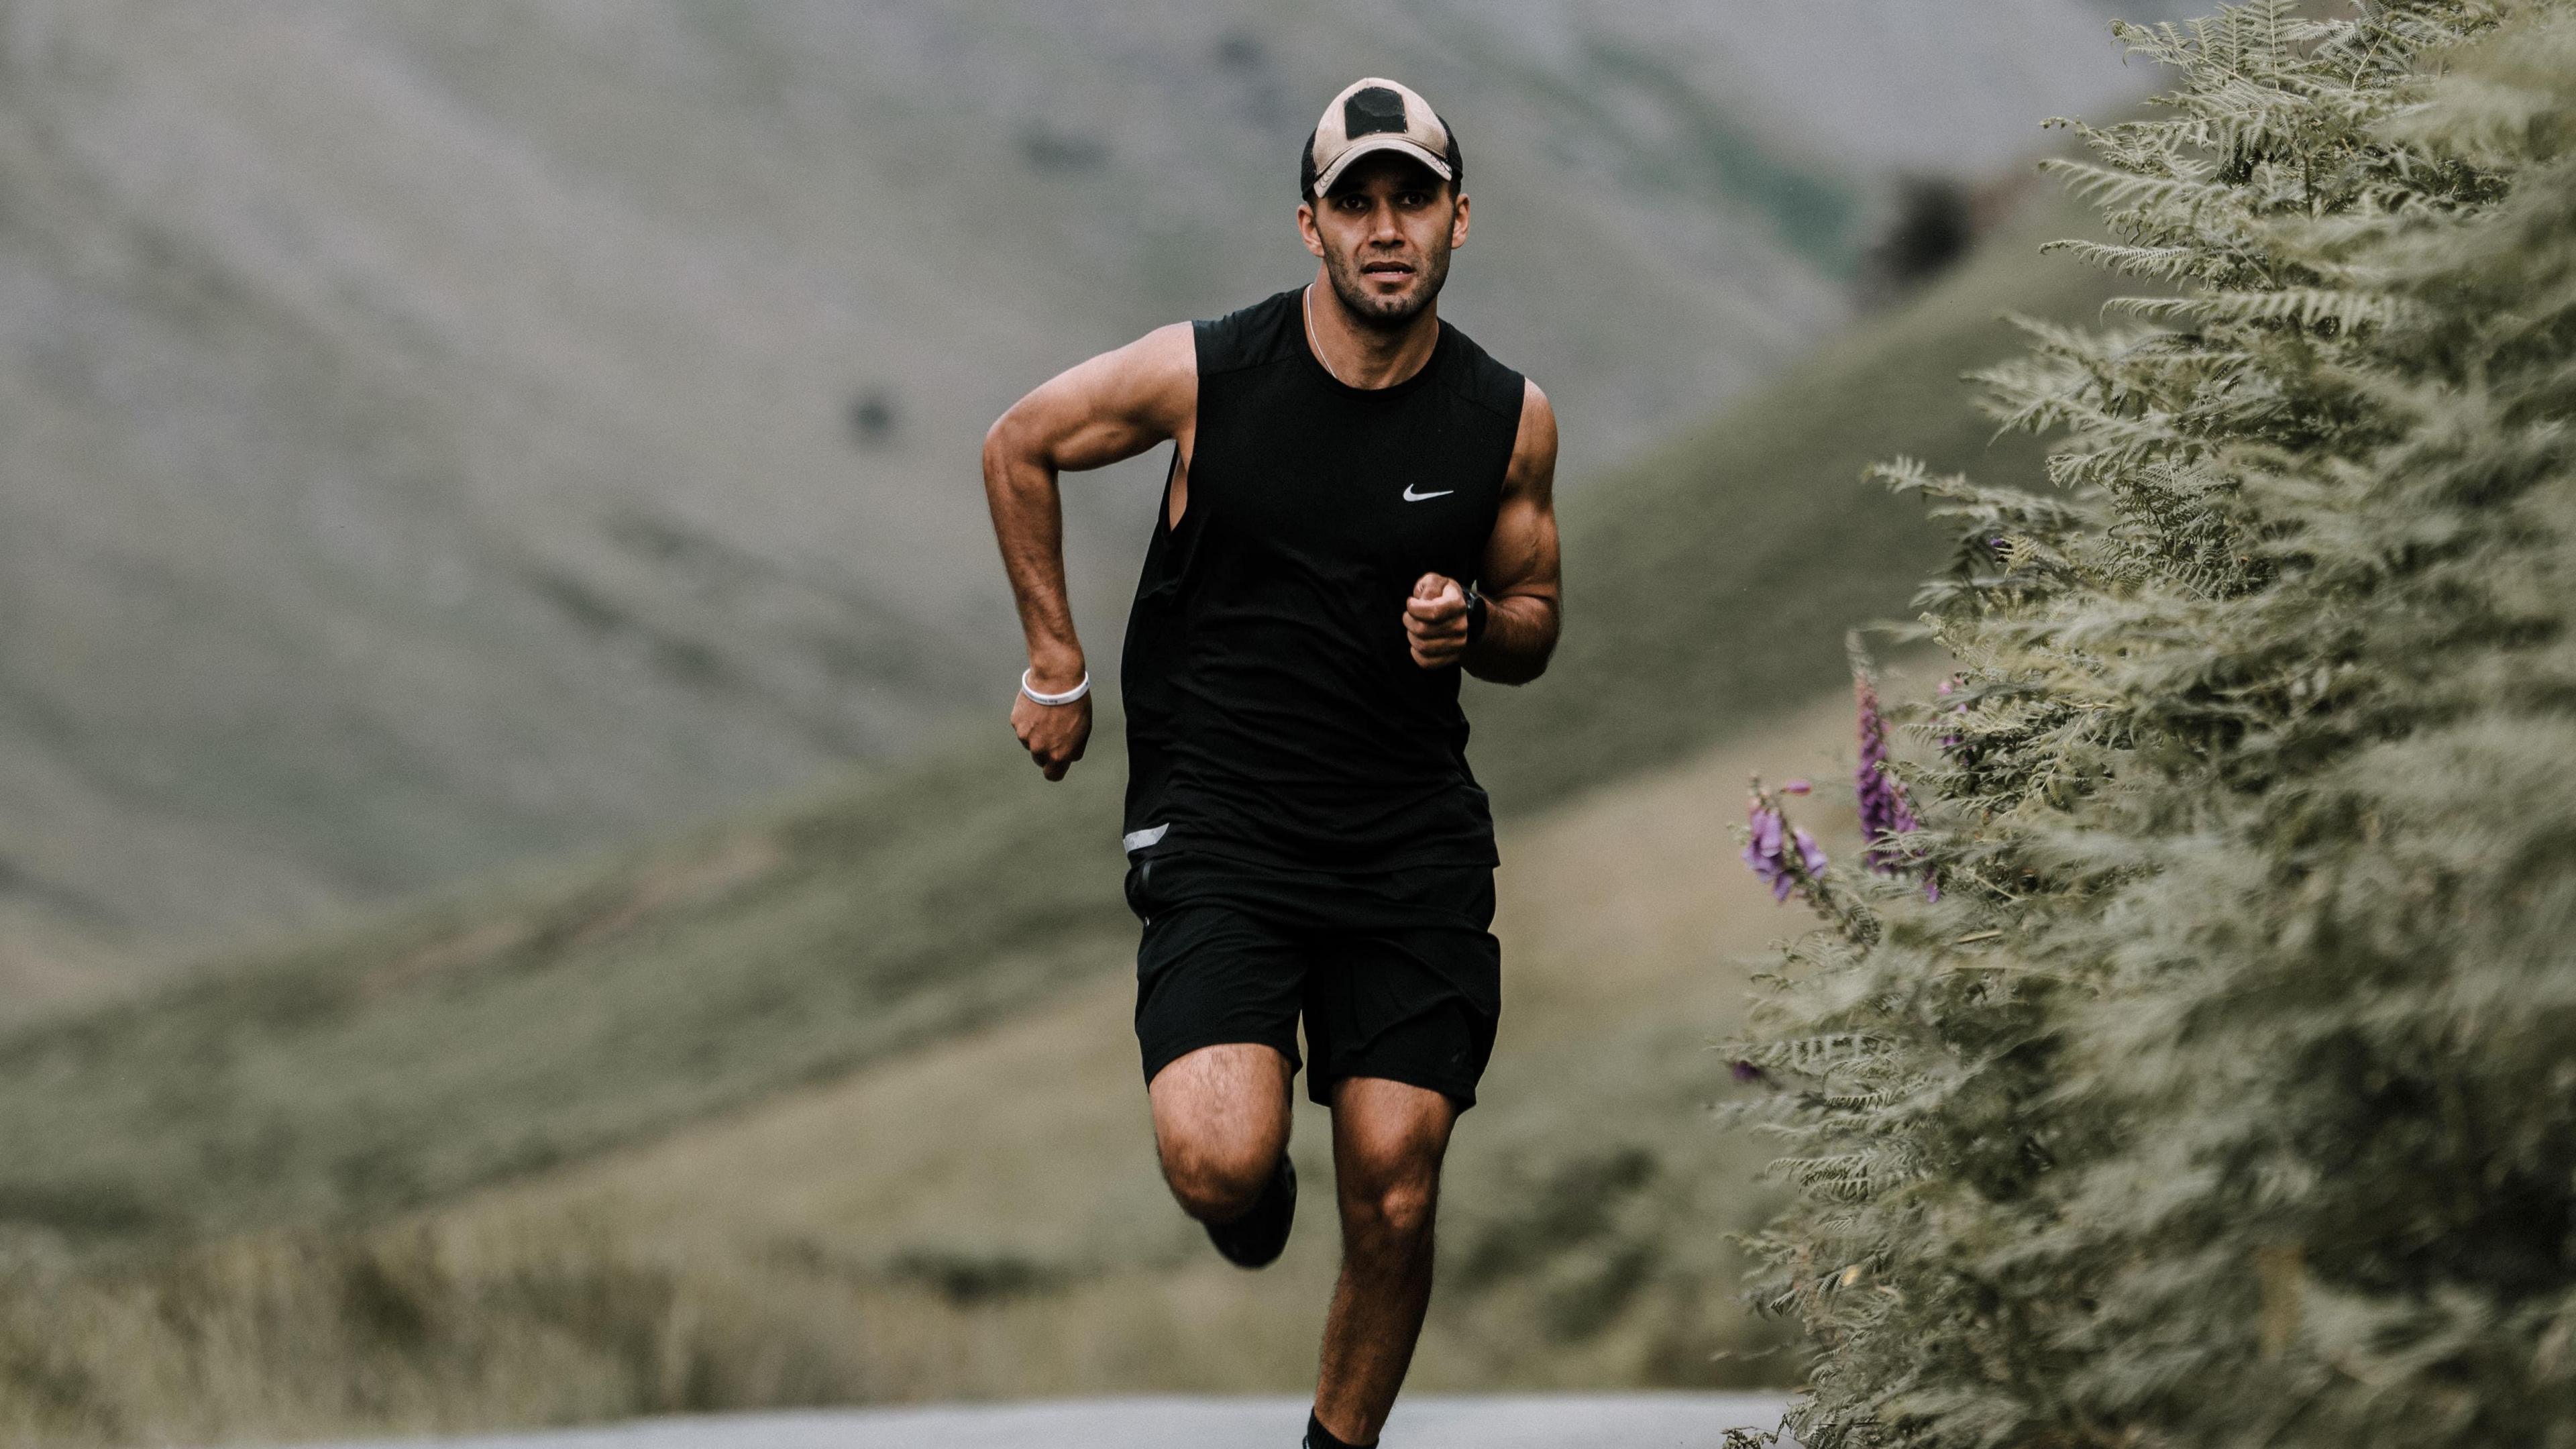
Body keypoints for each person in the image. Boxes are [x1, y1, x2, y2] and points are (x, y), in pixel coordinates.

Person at [979, 76, 1560, 1449]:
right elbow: (1023, 444)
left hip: (1407, 836)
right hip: (1223, 825)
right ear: (1309, 225)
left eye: (1410, 198)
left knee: (1398, 1179)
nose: (1384, 227)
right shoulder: (1210, 374)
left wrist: (1473, 626)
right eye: (1354, 201)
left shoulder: (1506, 420)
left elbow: (1536, 623)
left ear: (1458, 221)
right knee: (1218, 1158)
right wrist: (1054, 665)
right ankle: (1253, 1203)